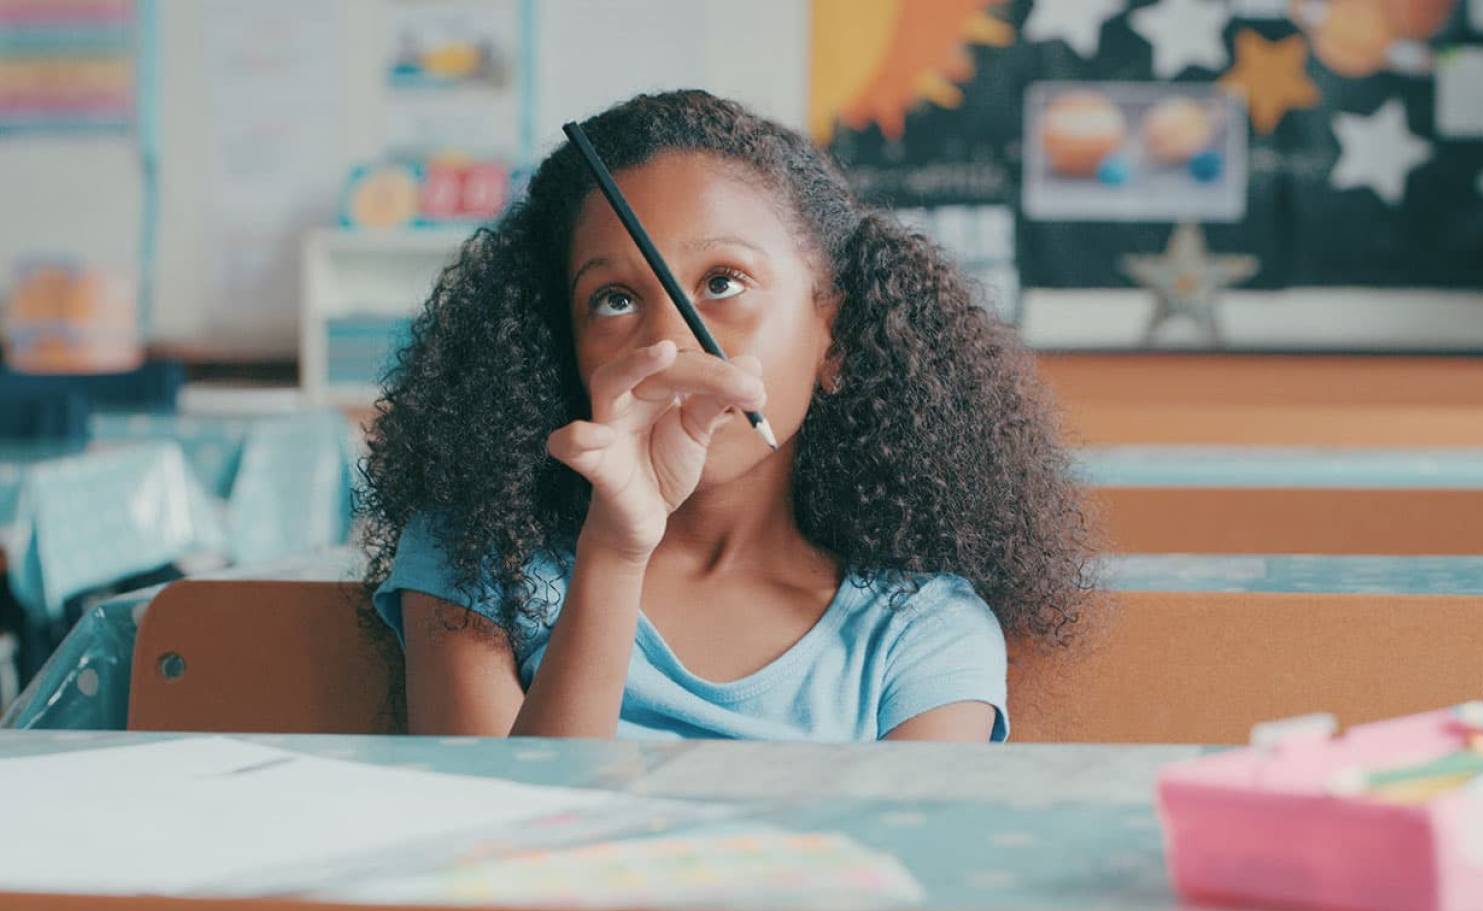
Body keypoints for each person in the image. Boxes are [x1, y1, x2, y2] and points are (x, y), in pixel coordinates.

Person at [361, 90, 1091, 741]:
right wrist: (615, 551)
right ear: (566, 352)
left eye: (722, 282)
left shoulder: (922, 631)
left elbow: (899, 870)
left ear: (833, 336)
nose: (669, 341)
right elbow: (499, 841)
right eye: (613, 299)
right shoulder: (479, 564)